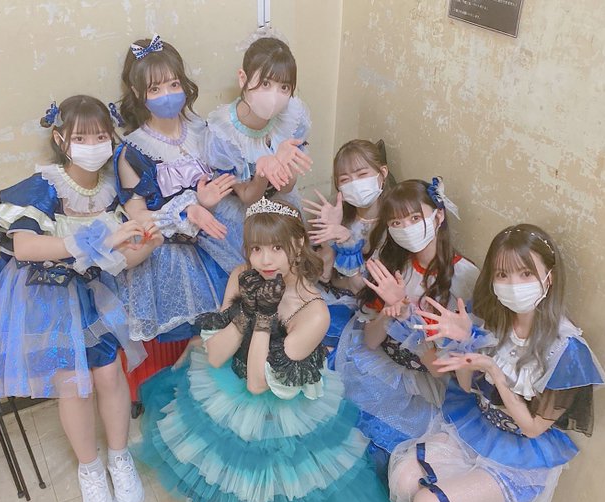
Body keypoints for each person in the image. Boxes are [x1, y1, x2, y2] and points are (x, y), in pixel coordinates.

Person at [135, 197, 395, 502]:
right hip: (232, 376)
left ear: (298, 244)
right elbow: (215, 357)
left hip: (281, 402)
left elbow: (258, 384)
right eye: (256, 248)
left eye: (276, 247)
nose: (264, 260)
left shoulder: (314, 312)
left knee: (275, 486)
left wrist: (264, 315)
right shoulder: (242, 275)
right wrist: (245, 309)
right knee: (223, 470)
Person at [0, 96, 159, 502]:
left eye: (100, 136)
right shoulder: (45, 185)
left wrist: (146, 243)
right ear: (61, 139)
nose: (92, 145)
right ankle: (89, 469)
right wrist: (96, 241)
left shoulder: (110, 188)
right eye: (81, 137)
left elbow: (118, 256)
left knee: (109, 374)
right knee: (73, 385)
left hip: (95, 293)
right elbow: (24, 247)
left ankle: (119, 458)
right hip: (48, 296)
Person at [388, 224, 605, 502]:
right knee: (404, 478)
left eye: (526, 273)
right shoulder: (488, 320)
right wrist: (465, 344)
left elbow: (532, 428)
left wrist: (495, 372)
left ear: (549, 277)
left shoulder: (565, 350)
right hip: (476, 426)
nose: (513, 284)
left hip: (520, 452)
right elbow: (466, 386)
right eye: (502, 274)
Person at [335, 178, 479, 477]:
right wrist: (391, 313)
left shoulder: (464, 277)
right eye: (396, 223)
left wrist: (408, 316)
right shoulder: (393, 264)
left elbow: (441, 369)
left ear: (438, 216)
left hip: (425, 382)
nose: (406, 228)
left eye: (415, 218)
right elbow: (371, 341)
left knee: (388, 458)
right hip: (382, 363)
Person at [115, 34, 239, 346]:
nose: (167, 95)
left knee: (240, 316)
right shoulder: (133, 151)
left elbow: (228, 181)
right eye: (155, 89)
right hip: (172, 254)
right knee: (199, 338)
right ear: (137, 92)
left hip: (222, 234)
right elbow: (137, 214)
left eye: (173, 84)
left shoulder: (203, 130)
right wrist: (187, 211)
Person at [203, 35, 313, 257]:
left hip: (278, 201)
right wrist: (262, 172)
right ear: (243, 78)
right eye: (265, 83)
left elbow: (286, 188)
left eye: (284, 87)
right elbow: (247, 197)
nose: (274, 96)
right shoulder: (223, 133)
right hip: (243, 209)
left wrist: (282, 162)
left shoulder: (292, 116)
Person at [305, 139, 395, 351]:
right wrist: (329, 236)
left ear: (382, 173)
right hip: (328, 294)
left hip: (363, 306)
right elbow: (323, 275)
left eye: (362, 174)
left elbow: (362, 291)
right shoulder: (339, 212)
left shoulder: (395, 224)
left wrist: (348, 244)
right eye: (345, 179)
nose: (355, 184)